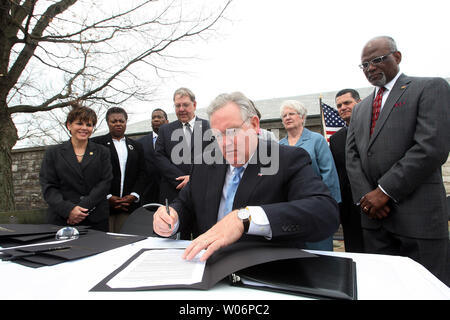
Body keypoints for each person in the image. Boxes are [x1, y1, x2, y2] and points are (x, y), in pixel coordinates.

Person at [153, 91, 339, 261]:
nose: (224, 143)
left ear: (254, 125)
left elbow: (324, 213)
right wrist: (171, 218)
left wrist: (246, 218)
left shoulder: (287, 159)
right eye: (217, 135)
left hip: (266, 272)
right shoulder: (204, 164)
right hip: (207, 266)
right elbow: (185, 204)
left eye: (232, 131)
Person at [346, 36, 450, 284]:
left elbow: (431, 147)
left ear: (397, 57)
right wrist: (366, 197)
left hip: (419, 218)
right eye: (365, 64)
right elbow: (351, 156)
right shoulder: (360, 108)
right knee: (385, 288)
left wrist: (384, 191)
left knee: (427, 289)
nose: (370, 68)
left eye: (377, 60)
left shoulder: (429, 88)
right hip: (374, 219)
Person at [279, 100, 341, 251]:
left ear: (302, 117)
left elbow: (329, 173)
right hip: (291, 208)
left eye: (291, 114)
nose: (287, 117)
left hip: (316, 205)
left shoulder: (316, 140)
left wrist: (330, 205)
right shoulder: (279, 145)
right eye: (284, 115)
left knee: (319, 251)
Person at [39, 104, 112, 231]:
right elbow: (49, 186)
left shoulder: (102, 152)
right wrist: (69, 210)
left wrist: (81, 209)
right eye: (79, 123)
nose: (84, 128)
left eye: (89, 125)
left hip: (95, 219)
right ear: (69, 125)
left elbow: (105, 182)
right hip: (62, 219)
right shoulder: (53, 152)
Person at [91, 107, 147, 233]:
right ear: (107, 123)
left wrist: (134, 195)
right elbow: (93, 174)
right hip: (104, 206)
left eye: (121, 121)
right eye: (114, 121)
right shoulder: (96, 144)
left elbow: (142, 173)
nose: (118, 124)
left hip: (128, 207)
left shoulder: (136, 146)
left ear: (126, 122)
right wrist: (108, 197)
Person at [154, 87, 211, 204]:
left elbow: (216, 157)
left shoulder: (210, 127)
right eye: (177, 105)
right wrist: (180, 179)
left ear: (194, 105)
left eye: (185, 105)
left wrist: (194, 178)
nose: (181, 109)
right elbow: (159, 157)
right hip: (173, 190)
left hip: (203, 190)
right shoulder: (165, 130)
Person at [329, 89, 364, 253]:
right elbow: (336, 174)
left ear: (359, 102)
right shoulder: (335, 139)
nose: (342, 107)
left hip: (379, 203)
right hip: (350, 209)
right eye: (339, 105)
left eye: (347, 103)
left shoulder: (376, 130)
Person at [137, 108, 169, 204]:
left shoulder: (175, 141)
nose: (156, 119)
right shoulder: (140, 143)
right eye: (153, 117)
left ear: (167, 121)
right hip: (147, 194)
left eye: (159, 117)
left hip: (169, 191)